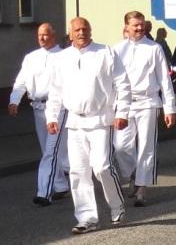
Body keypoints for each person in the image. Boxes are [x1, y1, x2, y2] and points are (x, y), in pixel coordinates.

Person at [45, 17, 132, 234]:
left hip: (101, 119)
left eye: (85, 29)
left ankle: (116, 205)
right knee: (78, 171)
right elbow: (55, 91)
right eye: (77, 30)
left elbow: (123, 84)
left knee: (101, 166)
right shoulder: (62, 58)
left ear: (90, 31)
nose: (81, 32)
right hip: (75, 121)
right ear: (70, 33)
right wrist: (52, 117)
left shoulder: (105, 53)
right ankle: (87, 217)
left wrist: (122, 112)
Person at [113, 11, 176, 207]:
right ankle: (133, 173)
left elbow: (164, 80)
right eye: (135, 25)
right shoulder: (116, 50)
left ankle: (142, 188)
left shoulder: (154, 48)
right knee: (121, 146)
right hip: (124, 103)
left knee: (147, 147)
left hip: (148, 102)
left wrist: (170, 108)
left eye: (141, 25)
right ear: (126, 27)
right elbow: (110, 80)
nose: (139, 28)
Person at [9, 23, 70, 207]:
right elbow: (21, 81)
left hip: (58, 108)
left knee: (51, 150)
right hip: (37, 107)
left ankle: (44, 192)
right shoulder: (31, 58)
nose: (42, 38)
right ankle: (60, 185)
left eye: (46, 35)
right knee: (48, 150)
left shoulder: (64, 56)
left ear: (54, 35)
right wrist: (14, 99)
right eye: (39, 35)